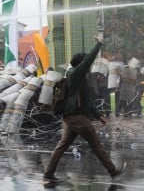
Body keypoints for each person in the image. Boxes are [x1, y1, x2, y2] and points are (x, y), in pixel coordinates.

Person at [43, 36, 126, 182]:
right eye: (86, 64)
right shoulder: (75, 74)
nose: (89, 66)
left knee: (62, 146)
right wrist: (98, 44)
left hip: (73, 118)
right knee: (96, 145)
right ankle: (113, 171)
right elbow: (88, 61)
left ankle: (49, 173)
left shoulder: (81, 79)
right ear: (81, 65)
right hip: (77, 117)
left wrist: (98, 115)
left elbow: (87, 101)